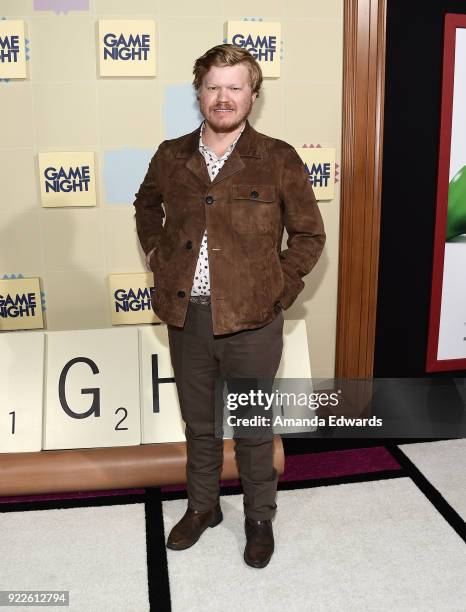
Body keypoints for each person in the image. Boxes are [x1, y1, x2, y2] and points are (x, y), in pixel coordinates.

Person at [133, 44, 325, 568]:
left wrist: (276, 290)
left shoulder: (279, 157)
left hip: (253, 325)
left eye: (235, 87)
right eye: (213, 86)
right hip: (187, 317)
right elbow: (145, 203)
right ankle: (203, 508)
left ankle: (259, 517)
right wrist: (156, 251)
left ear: (253, 95)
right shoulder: (172, 155)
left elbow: (309, 235)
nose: (224, 97)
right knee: (199, 425)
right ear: (198, 92)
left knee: (254, 428)